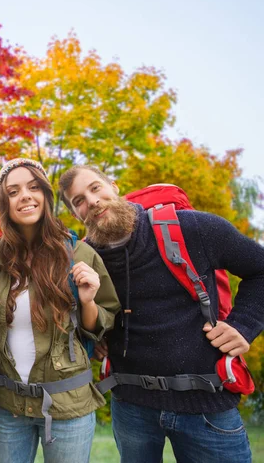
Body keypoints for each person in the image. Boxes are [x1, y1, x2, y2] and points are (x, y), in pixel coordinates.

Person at [59, 164, 264, 463]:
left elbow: (259, 269)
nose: (91, 202)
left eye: (95, 188)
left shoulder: (192, 228)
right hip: (131, 407)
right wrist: (95, 337)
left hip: (206, 404)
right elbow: (83, 316)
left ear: (113, 186)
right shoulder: (85, 259)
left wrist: (244, 326)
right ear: (76, 214)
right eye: (78, 201)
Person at [0, 158, 120, 463]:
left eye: (34, 187)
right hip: (10, 407)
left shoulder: (79, 254)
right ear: (5, 203)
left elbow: (103, 324)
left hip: (67, 406)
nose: (25, 195)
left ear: (46, 197)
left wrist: (87, 301)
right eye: (14, 191)